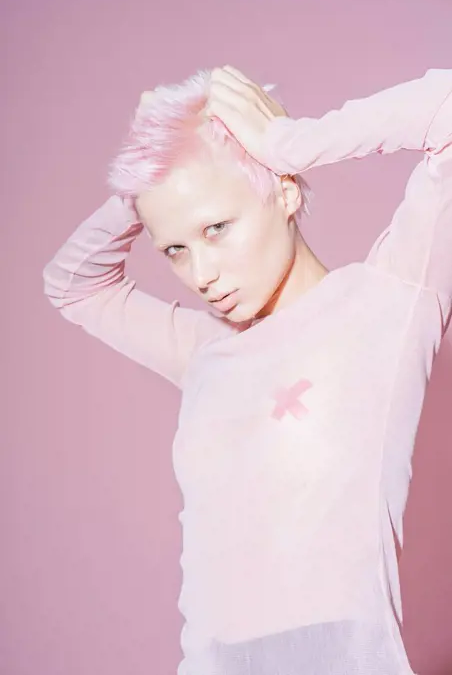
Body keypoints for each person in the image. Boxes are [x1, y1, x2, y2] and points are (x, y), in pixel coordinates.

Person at [43, 64, 452, 674]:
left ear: (285, 192)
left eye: (217, 228)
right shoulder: (206, 353)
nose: (201, 274)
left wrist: (291, 143)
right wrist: (153, 177)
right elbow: (71, 285)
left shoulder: (386, 305)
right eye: (176, 249)